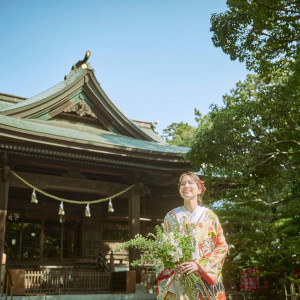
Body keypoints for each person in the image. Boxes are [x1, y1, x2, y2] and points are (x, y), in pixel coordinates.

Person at [156, 172, 228, 300]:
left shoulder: (209, 216)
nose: (186, 186)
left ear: (199, 189)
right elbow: (162, 248)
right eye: (182, 184)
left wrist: (199, 265)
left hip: (203, 278)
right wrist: (172, 265)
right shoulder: (171, 217)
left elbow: (221, 247)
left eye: (190, 182)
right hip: (179, 277)